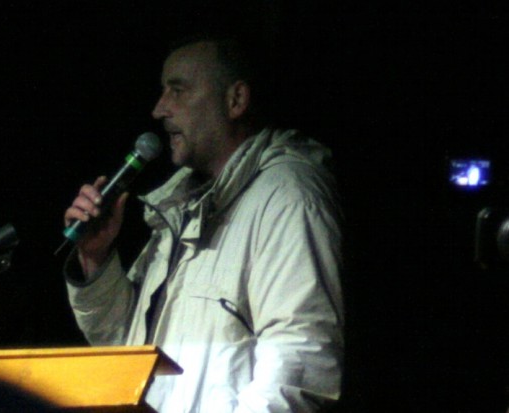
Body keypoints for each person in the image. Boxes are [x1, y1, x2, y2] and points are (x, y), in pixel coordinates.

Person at [63, 36, 344, 412]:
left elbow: (299, 362)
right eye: (162, 91)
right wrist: (96, 260)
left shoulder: (287, 196)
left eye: (177, 90)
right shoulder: (180, 207)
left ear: (236, 100)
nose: (159, 109)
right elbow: (123, 349)